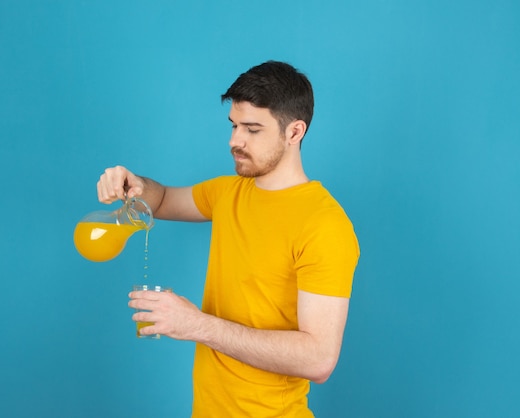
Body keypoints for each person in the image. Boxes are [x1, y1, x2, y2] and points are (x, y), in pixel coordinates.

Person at [97, 61, 360, 417]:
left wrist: (197, 325)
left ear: (295, 132)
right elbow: (161, 200)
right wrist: (135, 184)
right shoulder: (228, 193)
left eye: (252, 129)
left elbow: (319, 359)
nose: (234, 141)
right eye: (234, 126)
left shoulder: (324, 224)